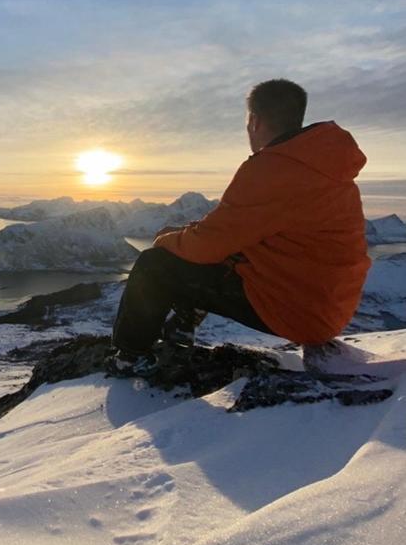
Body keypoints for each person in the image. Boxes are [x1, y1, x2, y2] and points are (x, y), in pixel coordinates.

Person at [109, 78, 371, 376]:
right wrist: (185, 236)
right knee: (213, 254)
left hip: (297, 312)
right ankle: (181, 329)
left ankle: (129, 357)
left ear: (254, 121)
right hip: (328, 306)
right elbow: (231, 230)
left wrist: (165, 240)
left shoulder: (270, 170)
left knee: (154, 264)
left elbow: (208, 244)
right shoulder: (323, 167)